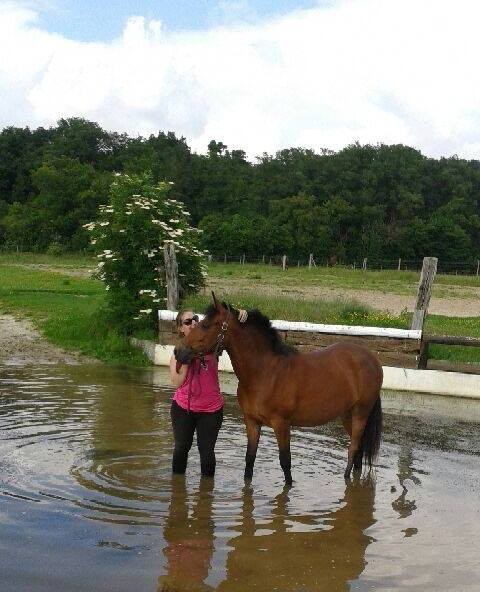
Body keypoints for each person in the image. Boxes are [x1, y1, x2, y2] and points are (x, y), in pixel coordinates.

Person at [169, 307, 247, 477]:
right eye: (188, 322)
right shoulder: (179, 352)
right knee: (181, 449)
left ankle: (206, 498)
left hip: (211, 410)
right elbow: (176, 383)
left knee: (207, 454)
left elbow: (228, 327)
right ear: (181, 328)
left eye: (195, 319)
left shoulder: (211, 344)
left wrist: (239, 314)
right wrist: (186, 362)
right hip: (183, 409)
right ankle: (177, 493)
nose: (193, 323)